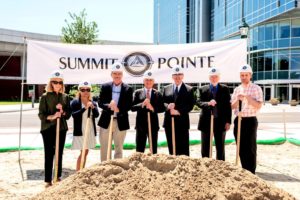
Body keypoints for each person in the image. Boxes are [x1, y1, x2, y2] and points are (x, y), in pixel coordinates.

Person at [38, 70, 71, 188]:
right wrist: (52, 116)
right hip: (48, 129)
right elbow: (41, 115)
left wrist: (62, 112)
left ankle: (57, 176)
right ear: (50, 83)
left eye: (60, 82)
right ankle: (48, 180)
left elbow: (68, 115)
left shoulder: (65, 97)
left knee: (59, 153)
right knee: (49, 153)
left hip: (61, 128)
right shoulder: (45, 97)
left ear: (62, 84)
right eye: (55, 82)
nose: (57, 84)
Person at [231, 64, 263, 174]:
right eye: (242, 75)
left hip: (250, 120)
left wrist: (248, 98)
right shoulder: (237, 89)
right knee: (240, 146)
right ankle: (245, 170)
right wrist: (237, 100)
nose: (244, 77)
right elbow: (232, 106)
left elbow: (258, 105)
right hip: (239, 120)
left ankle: (251, 171)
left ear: (250, 75)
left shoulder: (256, 88)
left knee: (251, 147)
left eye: (246, 75)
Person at [98, 62, 133, 161]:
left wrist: (119, 109)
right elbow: (100, 102)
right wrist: (109, 106)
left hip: (120, 121)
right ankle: (104, 167)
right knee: (104, 146)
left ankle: (117, 167)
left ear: (122, 75)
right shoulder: (105, 86)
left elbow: (129, 104)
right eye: (115, 73)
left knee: (119, 147)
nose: (117, 76)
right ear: (111, 74)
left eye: (119, 74)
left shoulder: (128, 88)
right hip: (106, 120)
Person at [197, 67, 232, 160]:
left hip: (220, 122)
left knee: (220, 146)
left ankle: (221, 165)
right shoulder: (202, 89)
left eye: (216, 76)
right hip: (206, 122)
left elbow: (228, 106)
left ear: (219, 77)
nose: (214, 78)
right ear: (209, 77)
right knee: (205, 146)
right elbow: (199, 102)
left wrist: (228, 121)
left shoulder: (225, 89)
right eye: (212, 76)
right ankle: (205, 164)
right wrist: (208, 103)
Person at [162, 66, 195, 156]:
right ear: (172, 77)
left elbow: (190, 105)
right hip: (169, 121)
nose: (177, 76)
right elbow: (162, 103)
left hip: (182, 122)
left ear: (183, 76)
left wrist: (178, 111)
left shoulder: (189, 89)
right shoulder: (166, 88)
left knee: (183, 146)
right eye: (175, 75)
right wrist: (168, 106)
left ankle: (184, 166)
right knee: (171, 145)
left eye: (179, 74)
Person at [131, 70, 165, 154]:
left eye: (150, 80)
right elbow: (132, 107)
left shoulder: (157, 93)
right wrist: (142, 104)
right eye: (146, 80)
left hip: (153, 125)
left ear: (153, 82)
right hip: (140, 125)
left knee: (153, 148)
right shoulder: (137, 93)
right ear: (143, 81)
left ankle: (153, 164)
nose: (148, 82)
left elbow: (162, 108)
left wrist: (152, 108)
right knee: (139, 148)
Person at [70, 81, 99, 171]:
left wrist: (93, 108)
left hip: (89, 129)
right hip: (80, 129)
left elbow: (97, 115)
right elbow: (74, 115)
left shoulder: (93, 102)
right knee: (83, 151)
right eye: (83, 90)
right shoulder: (75, 102)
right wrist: (85, 108)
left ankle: (81, 170)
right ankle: (78, 171)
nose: (85, 91)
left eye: (88, 90)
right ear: (79, 91)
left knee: (86, 152)